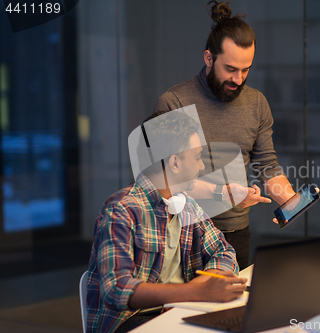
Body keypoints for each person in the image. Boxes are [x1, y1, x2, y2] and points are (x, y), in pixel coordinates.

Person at [153, 0, 296, 269]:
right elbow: (165, 180)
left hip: (236, 234)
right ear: (209, 58)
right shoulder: (174, 103)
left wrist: (290, 201)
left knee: (234, 310)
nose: (238, 79)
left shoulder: (256, 103)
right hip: (183, 233)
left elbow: (267, 166)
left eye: (246, 70)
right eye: (230, 69)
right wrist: (222, 193)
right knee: (184, 310)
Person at [86, 111, 247, 333]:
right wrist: (198, 292)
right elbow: (117, 289)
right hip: (131, 322)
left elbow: (223, 251)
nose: (201, 167)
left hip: (182, 310)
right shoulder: (122, 209)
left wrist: (205, 286)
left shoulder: (185, 204)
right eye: (197, 157)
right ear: (174, 163)